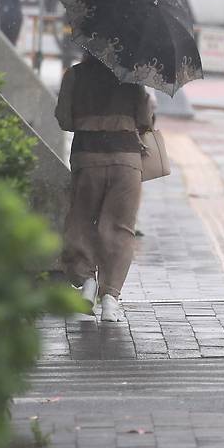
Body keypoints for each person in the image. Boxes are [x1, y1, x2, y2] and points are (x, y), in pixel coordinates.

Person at [55, 52, 154, 321]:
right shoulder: (133, 78)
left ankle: (87, 283)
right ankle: (110, 299)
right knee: (120, 228)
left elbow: (64, 119)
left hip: (88, 158)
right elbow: (145, 121)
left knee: (81, 219)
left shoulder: (74, 76)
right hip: (126, 162)